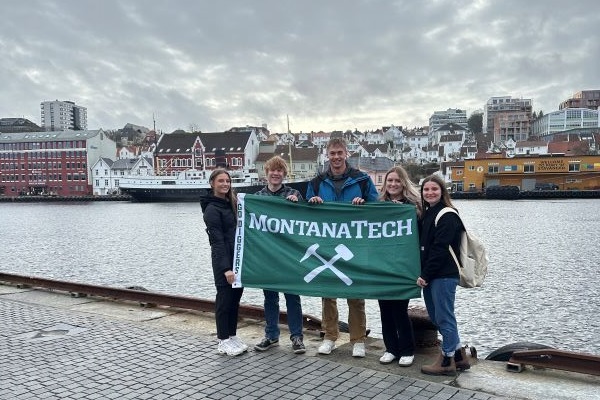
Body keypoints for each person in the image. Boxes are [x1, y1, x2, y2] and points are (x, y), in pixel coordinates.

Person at [306, 137, 379, 358]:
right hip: (327, 242)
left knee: (355, 294)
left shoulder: (363, 180)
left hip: (355, 243)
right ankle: (330, 336)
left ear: (346, 153)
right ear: (327, 155)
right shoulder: (317, 182)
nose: (336, 157)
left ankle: (358, 339)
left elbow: (377, 208)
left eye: (340, 153)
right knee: (328, 293)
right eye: (332, 153)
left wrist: (364, 204)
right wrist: (313, 202)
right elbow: (305, 213)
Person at [416, 174, 470, 375]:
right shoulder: (429, 213)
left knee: (444, 317)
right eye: (426, 190)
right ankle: (459, 355)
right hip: (433, 275)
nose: (430, 193)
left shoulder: (447, 215)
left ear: (442, 192)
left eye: (434, 189)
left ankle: (446, 361)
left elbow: (440, 248)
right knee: (438, 317)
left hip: (443, 275)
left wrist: (426, 275)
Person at [253, 156, 306, 354]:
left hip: (289, 256)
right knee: (270, 298)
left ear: (284, 174)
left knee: (292, 296)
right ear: (266, 174)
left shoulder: (293, 193)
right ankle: (271, 335)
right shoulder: (258, 197)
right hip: (268, 256)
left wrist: (297, 205)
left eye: (280, 171)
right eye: (272, 171)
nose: (276, 174)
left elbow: (305, 221)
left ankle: (297, 337)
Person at [200, 169, 247, 357]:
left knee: (235, 299)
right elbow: (217, 242)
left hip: (237, 259)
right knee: (224, 299)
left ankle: (232, 335)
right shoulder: (212, 209)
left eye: (227, 181)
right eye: (221, 181)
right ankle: (222, 340)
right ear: (212, 183)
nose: (225, 184)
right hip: (223, 262)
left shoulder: (232, 204)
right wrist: (226, 268)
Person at [377, 166, 421, 367]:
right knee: (384, 309)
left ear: (403, 182)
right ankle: (391, 348)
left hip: (402, 267)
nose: (393, 184)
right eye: (390, 181)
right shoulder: (379, 205)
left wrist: (402, 212)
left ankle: (407, 349)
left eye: (397, 181)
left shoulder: (413, 206)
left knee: (399, 310)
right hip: (382, 266)